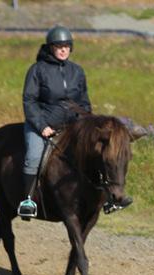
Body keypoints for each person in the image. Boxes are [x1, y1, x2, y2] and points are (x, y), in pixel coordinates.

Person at [21, 25, 95, 219]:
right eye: (59, 46)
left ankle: (104, 197)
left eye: (67, 46)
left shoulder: (77, 71)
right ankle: (27, 201)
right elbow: (29, 101)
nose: (63, 49)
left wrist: (85, 124)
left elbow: (84, 103)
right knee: (34, 157)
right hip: (42, 127)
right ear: (50, 47)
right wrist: (42, 126)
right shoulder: (37, 70)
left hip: (70, 127)